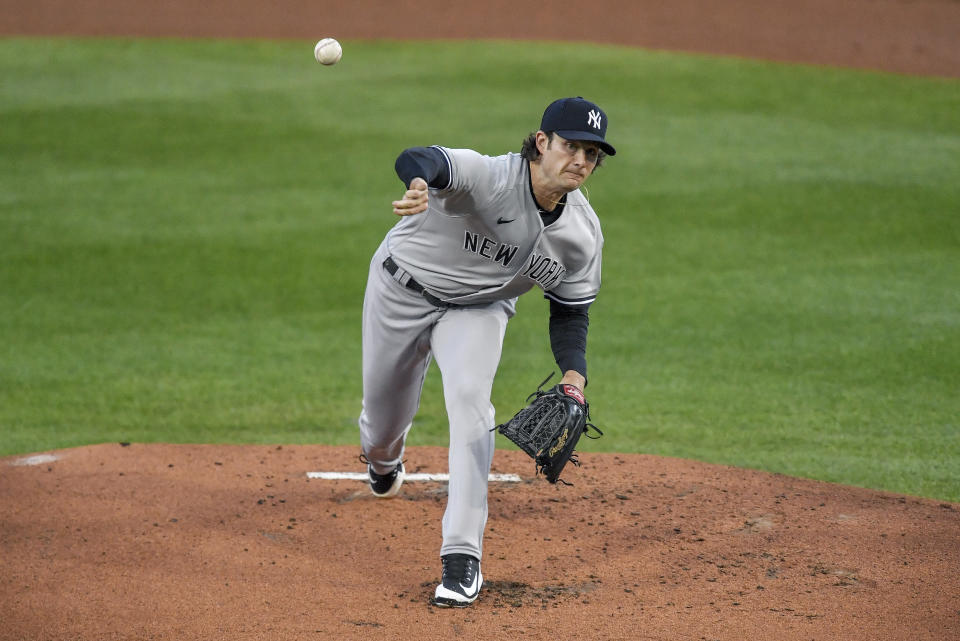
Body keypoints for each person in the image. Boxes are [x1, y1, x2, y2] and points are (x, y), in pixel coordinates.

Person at [357, 96, 616, 607]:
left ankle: (462, 559)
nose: (581, 161)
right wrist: (417, 183)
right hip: (401, 288)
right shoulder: (490, 176)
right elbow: (422, 158)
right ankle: (383, 460)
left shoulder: (581, 237)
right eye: (571, 146)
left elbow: (570, 312)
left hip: (477, 311)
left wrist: (573, 376)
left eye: (592, 153)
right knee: (382, 422)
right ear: (541, 144)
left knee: (472, 403)